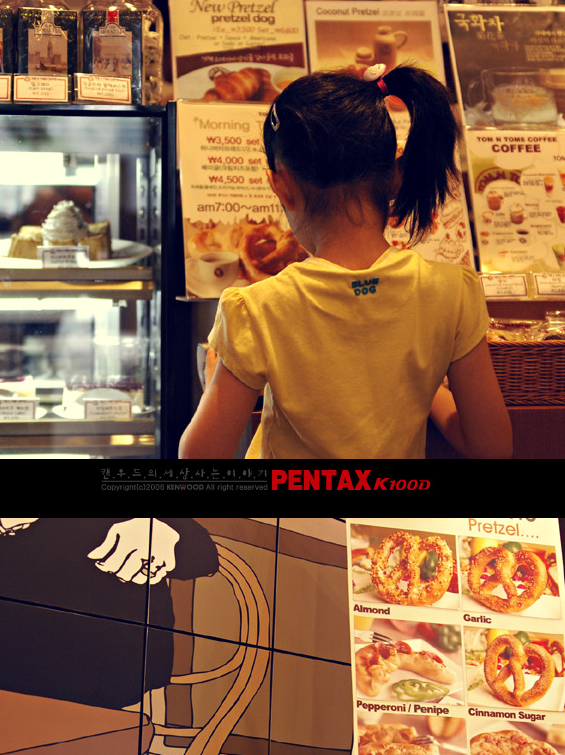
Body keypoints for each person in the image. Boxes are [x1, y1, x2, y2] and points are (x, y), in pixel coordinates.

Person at [177, 69, 513, 471]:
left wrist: (216, 375)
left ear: (281, 185)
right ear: (395, 174)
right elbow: (492, 445)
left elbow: (198, 458)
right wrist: (425, 389)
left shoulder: (254, 309)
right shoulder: (453, 291)